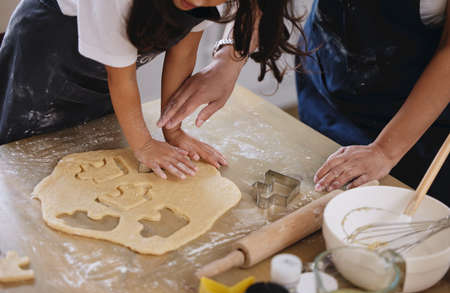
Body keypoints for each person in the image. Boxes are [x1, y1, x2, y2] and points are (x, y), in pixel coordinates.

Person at [157, 0, 450, 203]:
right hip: (327, 75)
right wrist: (230, 56)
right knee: (320, 182)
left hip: (416, 118)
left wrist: (385, 150)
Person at [0, 0, 302, 180]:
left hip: (101, 70)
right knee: (23, 149)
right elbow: (121, 79)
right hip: (46, 48)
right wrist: (144, 145)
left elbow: (182, 53)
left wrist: (173, 131)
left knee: (91, 131)